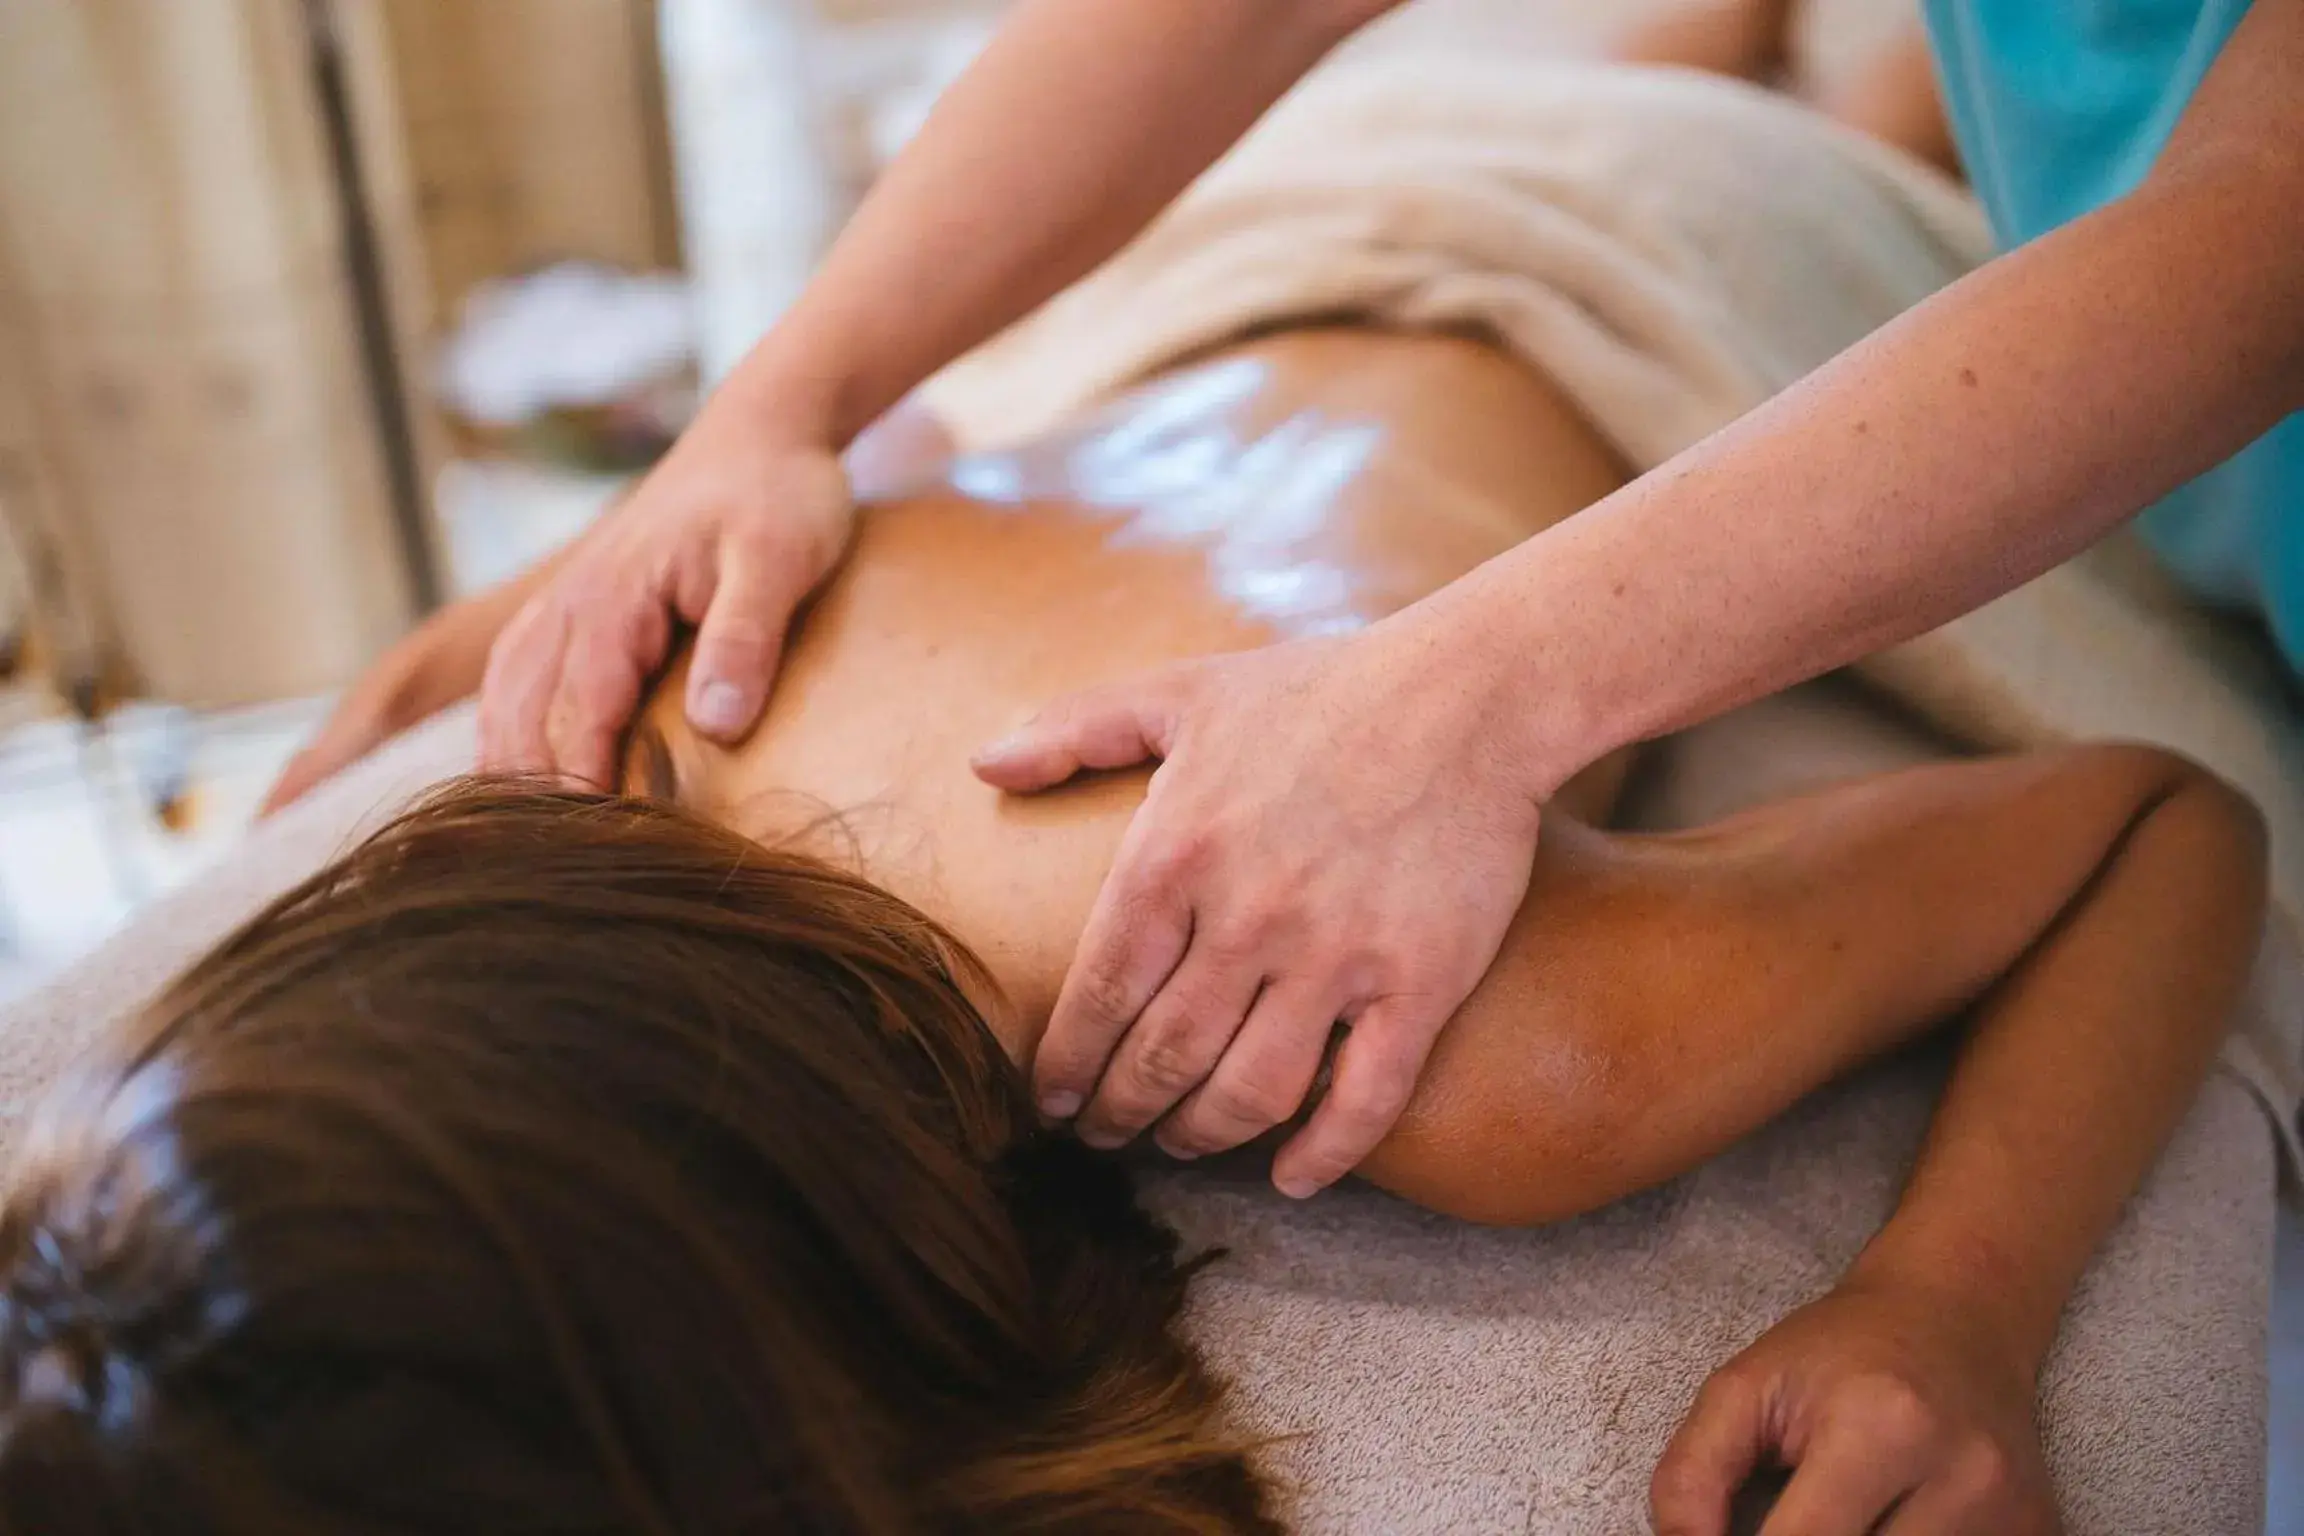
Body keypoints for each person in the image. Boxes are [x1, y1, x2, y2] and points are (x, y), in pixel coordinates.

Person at [114, 299, 2266, 1531]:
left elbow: (2158, 826)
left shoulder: (1482, 1063)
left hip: (1623, 279)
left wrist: (1958, 1308)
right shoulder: (583, 701)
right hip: (1203, 280)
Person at [401, 0, 2299, 1226]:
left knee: (1808, 116)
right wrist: (771, 403)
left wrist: (1484, 688)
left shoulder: (1522, 1072)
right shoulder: (602, 705)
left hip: (1591, 244)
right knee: (1839, 108)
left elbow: (2264, 234)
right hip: (1393, 224)